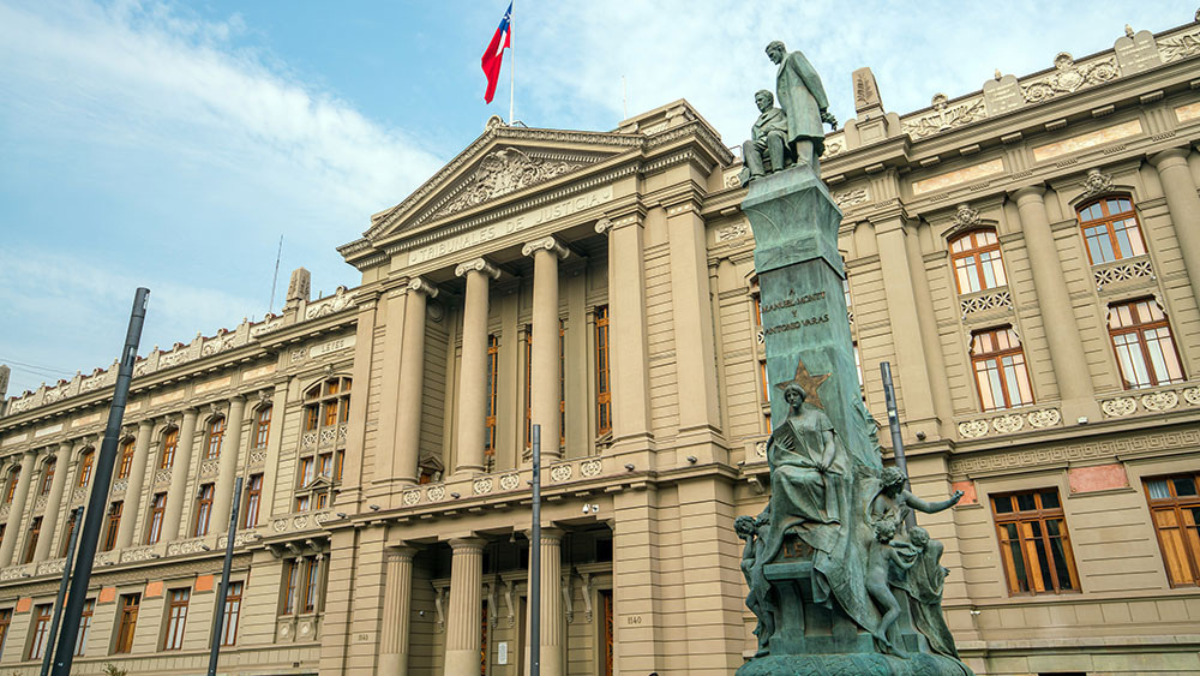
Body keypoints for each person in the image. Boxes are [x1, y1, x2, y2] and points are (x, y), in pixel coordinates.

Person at [765, 40, 837, 172]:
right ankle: (810, 167)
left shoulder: (794, 57)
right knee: (800, 132)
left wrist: (822, 105)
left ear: (780, 49)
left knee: (803, 131)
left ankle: (804, 161)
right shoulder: (783, 65)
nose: (771, 59)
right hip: (792, 107)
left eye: (772, 55)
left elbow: (811, 77)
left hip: (801, 102)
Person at [738, 90, 790, 185]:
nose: (758, 103)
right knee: (748, 144)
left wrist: (774, 127)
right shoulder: (756, 124)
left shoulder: (780, 112)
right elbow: (755, 139)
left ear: (769, 100)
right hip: (762, 142)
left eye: (760, 100)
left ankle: (778, 169)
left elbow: (789, 123)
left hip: (778, 137)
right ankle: (758, 175)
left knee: (772, 135)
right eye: (756, 101)